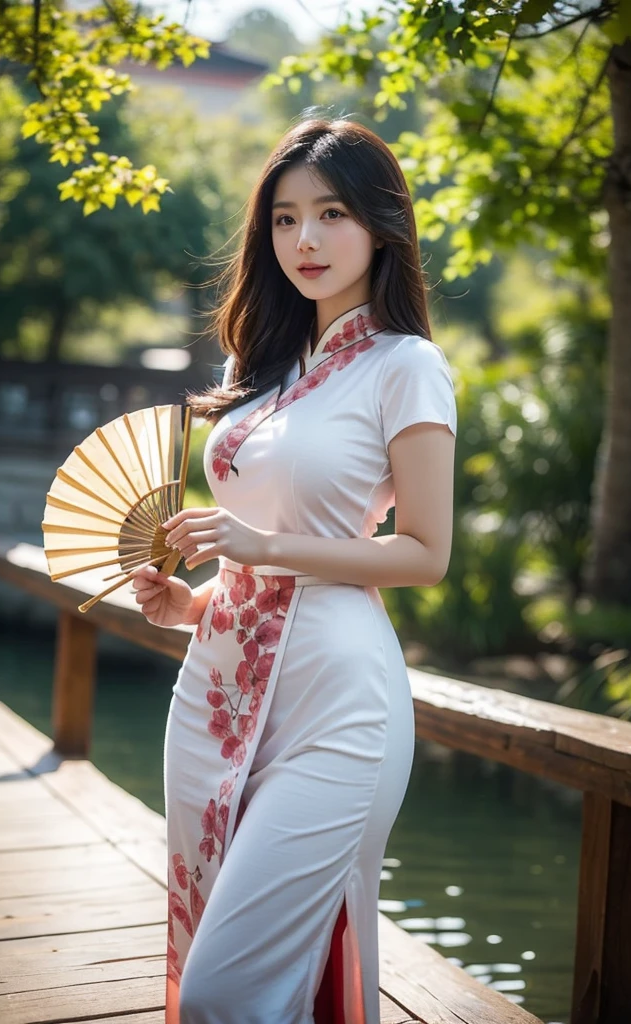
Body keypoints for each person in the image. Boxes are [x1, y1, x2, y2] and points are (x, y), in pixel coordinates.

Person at [131, 116, 457, 1024]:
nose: (304, 241)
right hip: (220, 684)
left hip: (338, 702)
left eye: (332, 214)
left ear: (382, 225)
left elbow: (424, 554)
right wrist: (191, 605)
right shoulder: (259, 364)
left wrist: (260, 547)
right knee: (224, 959)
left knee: (223, 994)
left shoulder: (407, 367)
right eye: (283, 219)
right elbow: (256, 550)